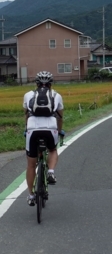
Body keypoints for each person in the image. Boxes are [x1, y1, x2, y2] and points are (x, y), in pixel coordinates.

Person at [23, 71, 64, 206]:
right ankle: (51, 172)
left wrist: (26, 129)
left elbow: (27, 115)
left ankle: (30, 196)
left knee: (30, 165)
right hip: (50, 128)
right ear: (51, 84)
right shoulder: (56, 95)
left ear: (36, 83)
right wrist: (59, 131)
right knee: (52, 150)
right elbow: (60, 116)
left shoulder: (28, 95)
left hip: (32, 129)